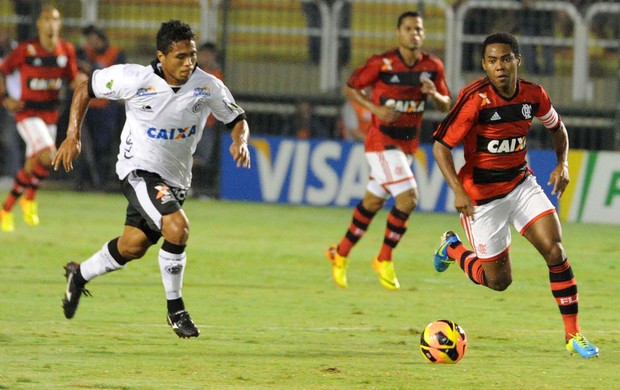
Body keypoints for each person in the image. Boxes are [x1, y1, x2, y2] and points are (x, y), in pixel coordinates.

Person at [53, 19, 251, 338]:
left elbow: (237, 117)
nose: (189, 63)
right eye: (181, 56)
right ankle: (177, 311)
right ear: (161, 56)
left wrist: (239, 139)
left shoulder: (208, 85)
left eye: (193, 55)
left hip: (176, 180)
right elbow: (84, 87)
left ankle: (79, 274)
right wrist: (73, 135)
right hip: (138, 170)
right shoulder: (134, 78)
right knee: (178, 227)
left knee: (132, 247)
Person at [432, 32, 599, 358]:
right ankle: (452, 248)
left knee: (555, 251)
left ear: (517, 61)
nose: (500, 67)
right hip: (482, 199)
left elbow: (557, 127)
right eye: (492, 61)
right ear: (484, 65)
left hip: (521, 185)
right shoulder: (474, 100)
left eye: (506, 59)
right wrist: (458, 190)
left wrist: (562, 163)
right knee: (498, 281)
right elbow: (440, 146)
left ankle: (573, 334)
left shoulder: (533, 95)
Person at [325, 11, 452, 290]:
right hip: (381, 142)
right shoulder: (382, 64)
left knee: (372, 203)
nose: (414, 34)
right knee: (408, 199)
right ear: (399, 33)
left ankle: (340, 252)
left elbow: (447, 105)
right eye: (408, 29)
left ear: (423, 34)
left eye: (418, 29)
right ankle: (383, 258)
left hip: (407, 145)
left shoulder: (432, 67)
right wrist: (376, 109)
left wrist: (434, 94)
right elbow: (351, 87)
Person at [0, 5, 85, 232]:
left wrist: (85, 82)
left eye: (54, 19)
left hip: (50, 115)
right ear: (39, 23)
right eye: (46, 19)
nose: (50, 24)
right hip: (27, 114)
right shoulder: (26, 50)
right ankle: (29, 197)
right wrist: (5, 97)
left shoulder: (66, 50)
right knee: (49, 156)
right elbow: (3, 70)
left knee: (34, 163)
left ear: (60, 24)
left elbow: (72, 78)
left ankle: (6, 209)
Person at [75, 24, 127, 190]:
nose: (90, 42)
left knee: (102, 146)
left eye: (93, 38)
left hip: (106, 107)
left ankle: (100, 181)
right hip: (88, 106)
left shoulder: (116, 53)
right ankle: (84, 181)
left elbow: (116, 78)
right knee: (83, 146)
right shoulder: (83, 52)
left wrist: (92, 69)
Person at [192, 41, 223, 198]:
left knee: (203, 159)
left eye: (208, 54)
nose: (206, 57)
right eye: (203, 54)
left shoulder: (217, 75)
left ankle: (193, 189)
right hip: (189, 123)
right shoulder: (192, 73)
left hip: (208, 125)